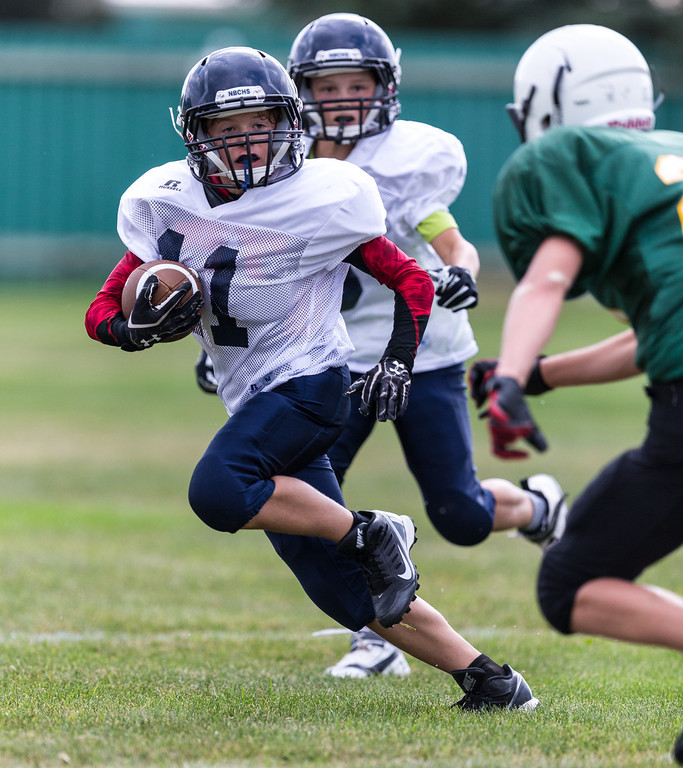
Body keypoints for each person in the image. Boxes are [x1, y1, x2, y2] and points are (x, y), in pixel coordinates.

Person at [85, 45, 539, 711]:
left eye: (259, 122)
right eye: (225, 128)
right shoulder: (168, 203)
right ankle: (491, 682)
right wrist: (132, 330)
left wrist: (394, 360)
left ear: (290, 121)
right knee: (343, 592)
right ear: (196, 134)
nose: (245, 142)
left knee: (217, 491)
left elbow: (410, 279)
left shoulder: (323, 197)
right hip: (252, 394)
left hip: (310, 384)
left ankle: (370, 530)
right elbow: (102, 308)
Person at [237, 11, 563, 679]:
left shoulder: (408, 161)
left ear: (384, 85)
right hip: (328, 359)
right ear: (300, 93)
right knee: (321, 507)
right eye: (324, 88)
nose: (340, 99)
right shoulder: (283, 166)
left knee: (462, 515)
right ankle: (378, 637)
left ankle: (536, 505)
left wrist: (463, 273)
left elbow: (448, 237)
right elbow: (257, 270)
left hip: (422, 353)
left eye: (354, 83)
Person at [469, 23, 683, 759]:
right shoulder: (670, 156)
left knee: (573, 582)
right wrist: (539, 373)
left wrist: (504, 378)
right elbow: (645, 336)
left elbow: (548, 276)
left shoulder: (568, 156)